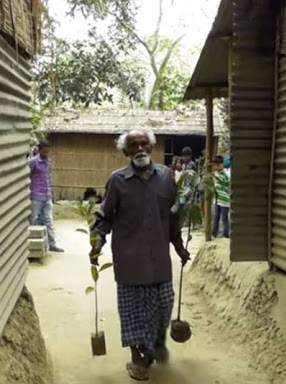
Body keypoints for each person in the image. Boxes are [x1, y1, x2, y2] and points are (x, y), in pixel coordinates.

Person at [90, 129, 191, 381]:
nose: (140, 149)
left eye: (144, 144)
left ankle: (156, 344)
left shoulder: (166, 178)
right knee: (134, 312)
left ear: (151, 147)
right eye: (133, 145)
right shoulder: (117, 180)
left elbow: (171, 218)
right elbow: (104, 216)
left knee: (164, 305)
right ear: (126, 151)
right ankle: (138, 358)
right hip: (129, 259)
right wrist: (97, 243)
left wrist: (179, 246)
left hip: (159, 258)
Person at [29, 141, 64, 252]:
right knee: (34, 220)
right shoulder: (33, 162)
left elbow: (48, 178)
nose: (46, 154)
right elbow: (27, 177)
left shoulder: (48, 162)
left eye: (48, 152)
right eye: (44, 152)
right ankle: (33, 246)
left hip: (47, 195)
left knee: (48, 220)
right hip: (36, 196)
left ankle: (52, 244)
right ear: (39, 150)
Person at [212, 156, 230, 239]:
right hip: (218, 200)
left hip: (224, 201)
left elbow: (224, 182)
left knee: (224, 219)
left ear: (219, 165)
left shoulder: (224, 175)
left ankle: (226, 235)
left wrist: (215, 176)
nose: (214, 167)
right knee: (216, 217)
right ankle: (214, 234)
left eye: (215, 165)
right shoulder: (218, 174)